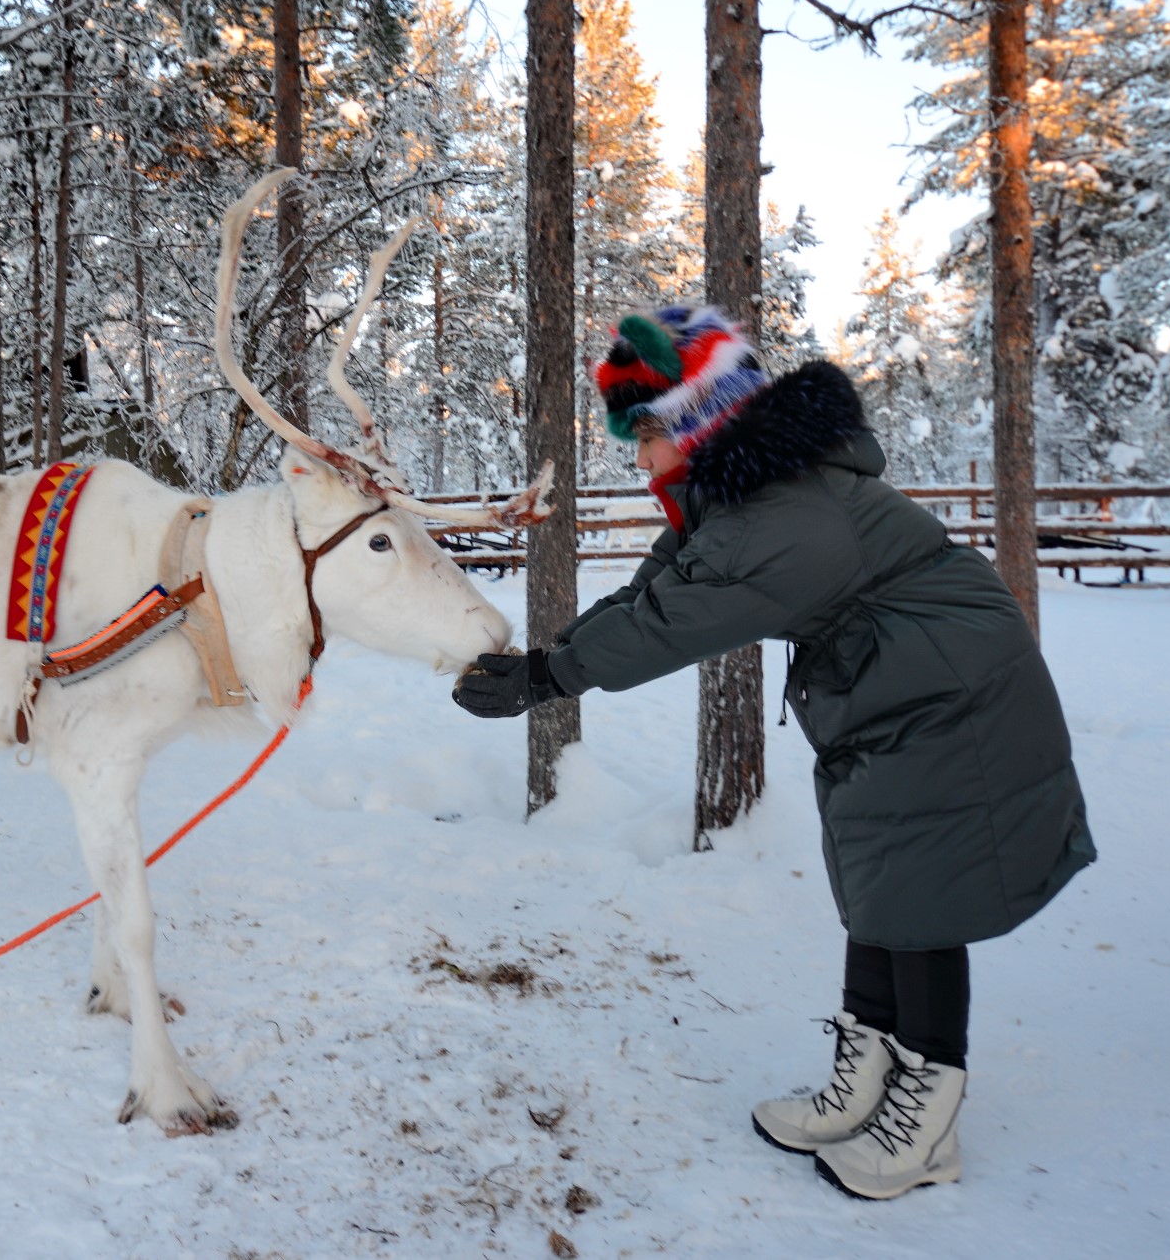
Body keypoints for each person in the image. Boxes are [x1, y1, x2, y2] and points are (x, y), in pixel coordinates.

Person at [453, 305, 1096, 1201]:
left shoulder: (780, 517)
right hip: (891, 690)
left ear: (697, 425)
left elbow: (677, 621)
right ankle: (866, 1078)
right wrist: (544, 660)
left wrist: (551, 676)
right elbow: (654, 594)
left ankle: (928, 1114)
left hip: (955, 696)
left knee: (918, 897)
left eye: (646, 437)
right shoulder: (744, 498)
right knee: (878, 883)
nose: (638, 461)